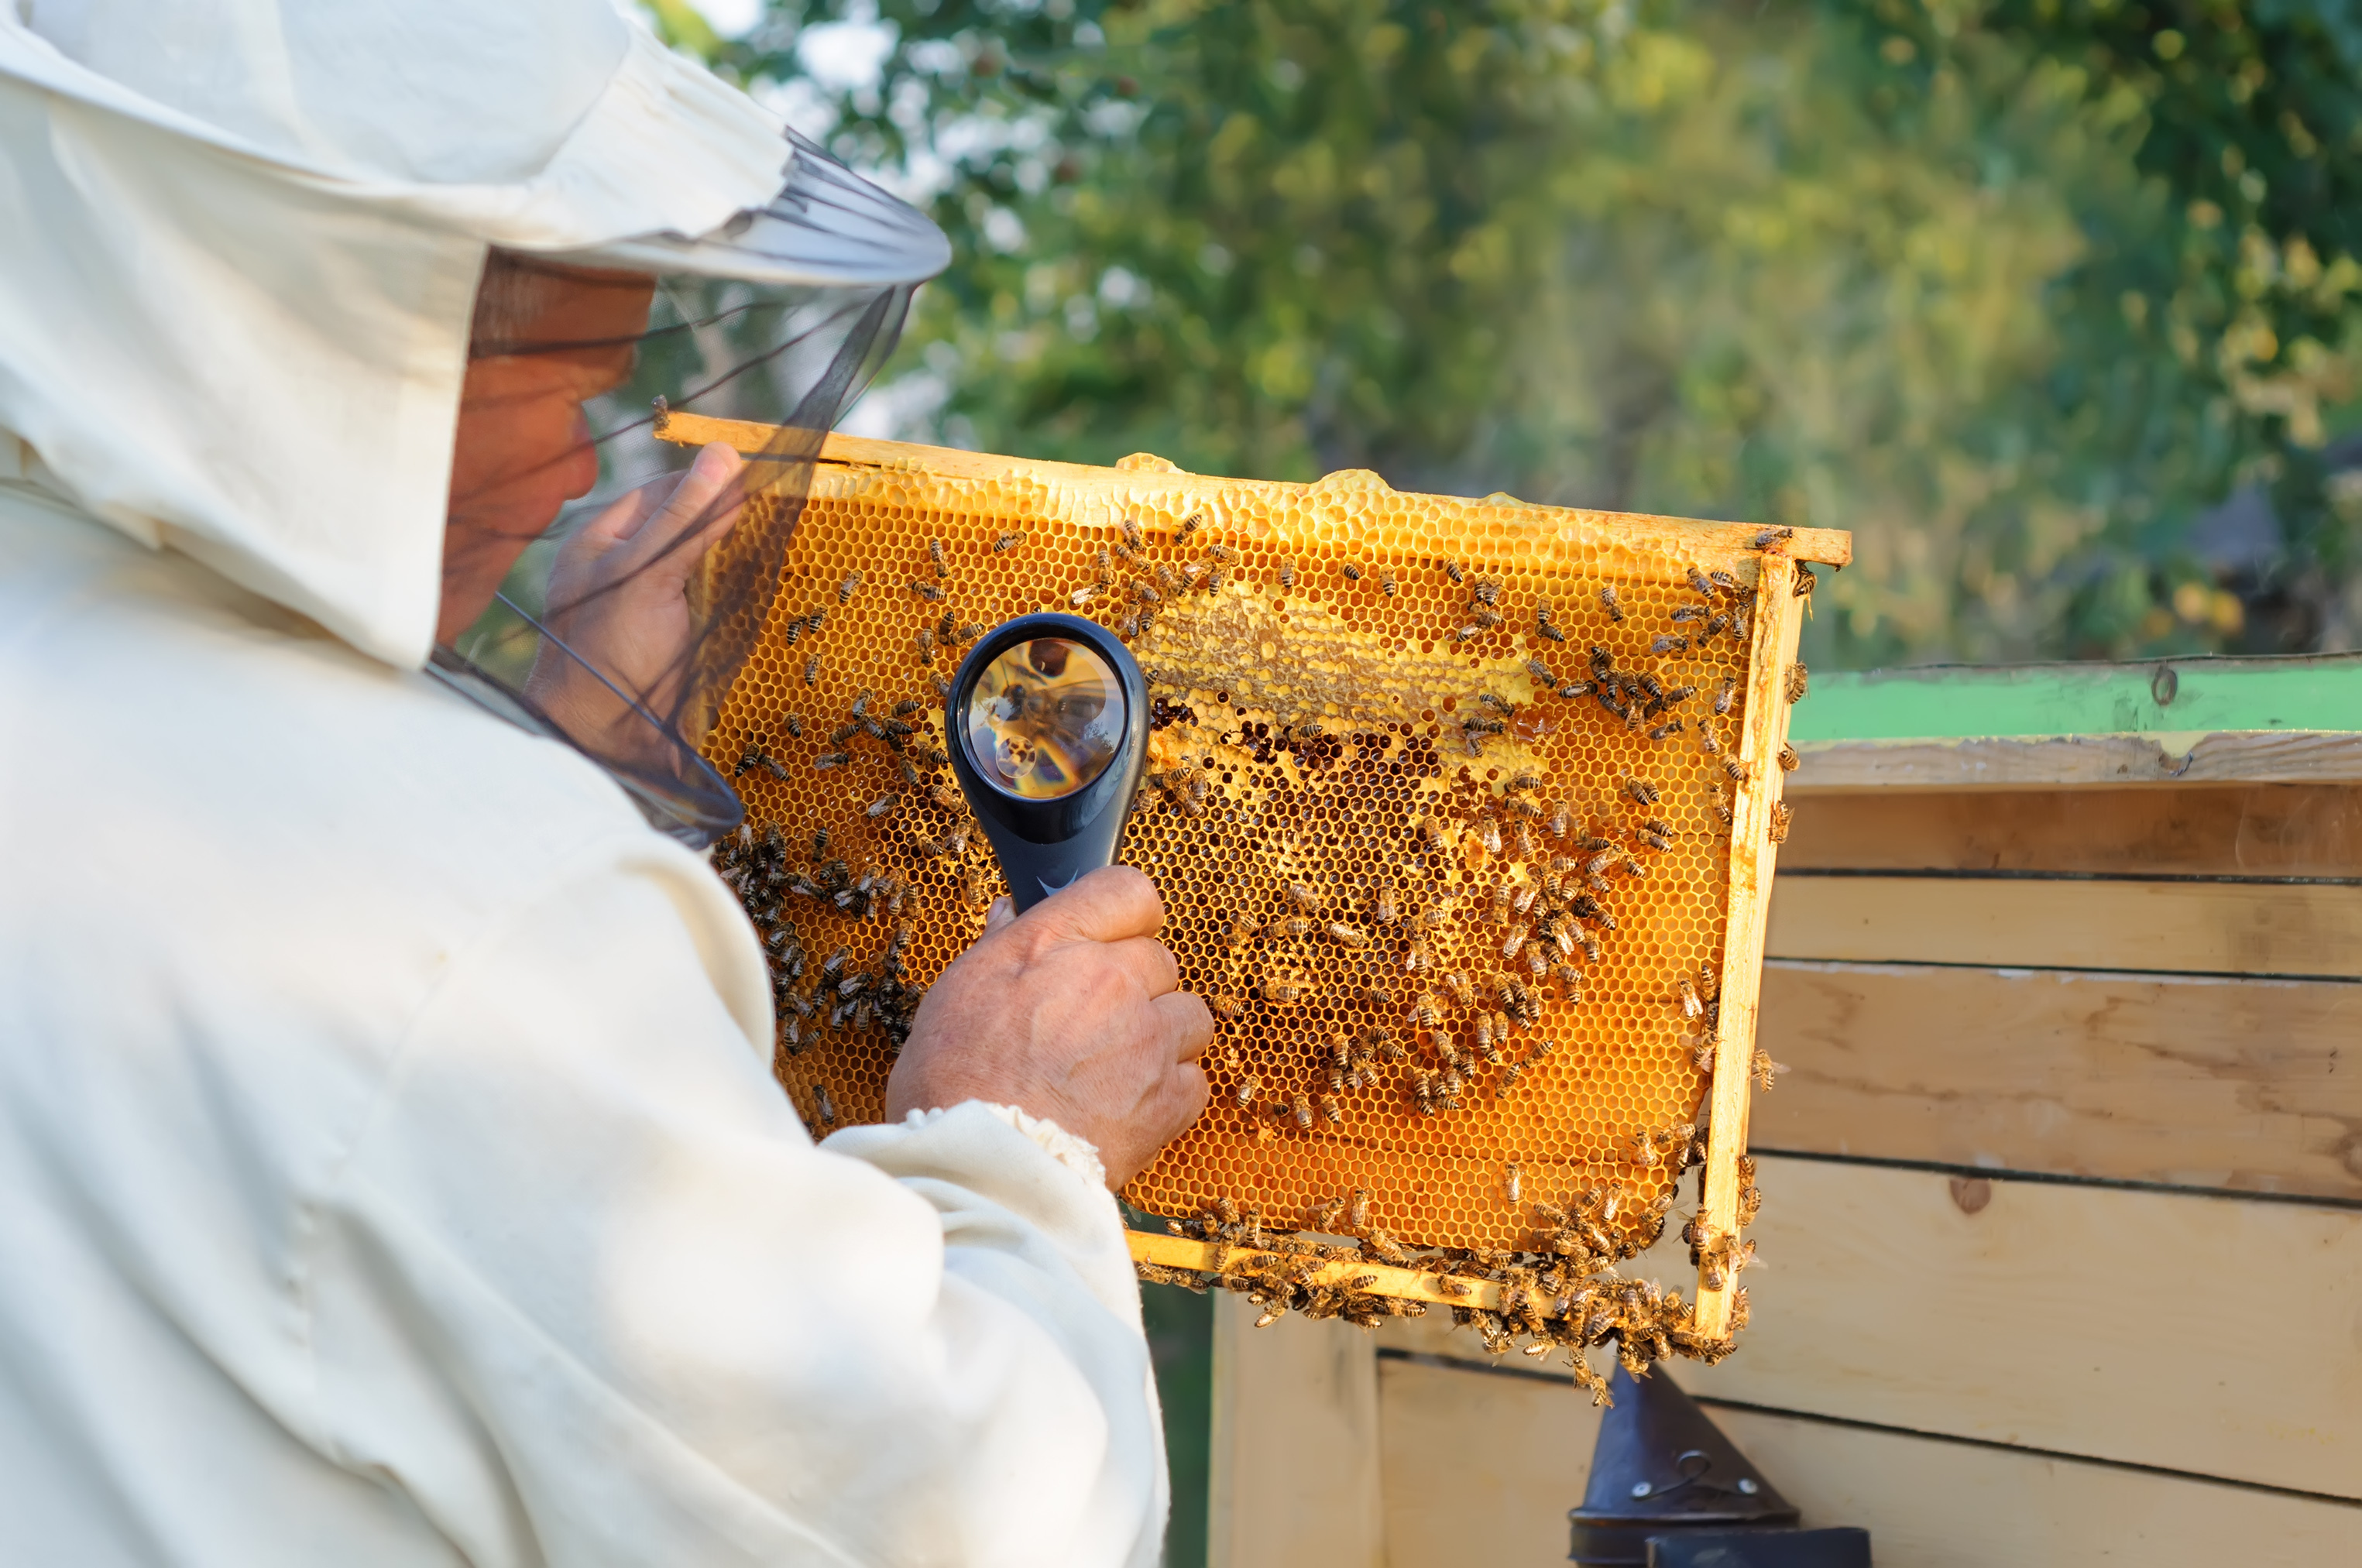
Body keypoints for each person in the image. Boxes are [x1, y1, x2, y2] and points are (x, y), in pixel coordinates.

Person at [0, 2, 1211, 1563]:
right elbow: (960, 1517)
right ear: (332, 330)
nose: (582, 467)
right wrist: (1015, 1142)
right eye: (555, 378)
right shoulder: (469, 925)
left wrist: (568, 772)